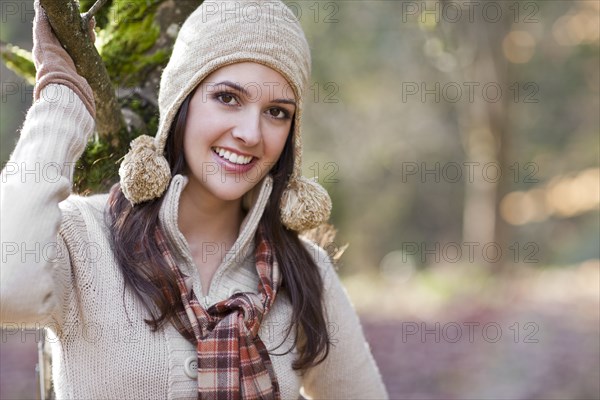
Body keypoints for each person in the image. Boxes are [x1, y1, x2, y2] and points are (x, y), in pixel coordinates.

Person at [1, 1, 388, 398]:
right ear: (180, 102)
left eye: (276, 111)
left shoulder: (305, 273)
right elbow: (6, 285)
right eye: (228, 98)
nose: (251, 133)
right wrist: (61, 104)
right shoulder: (84, 238)